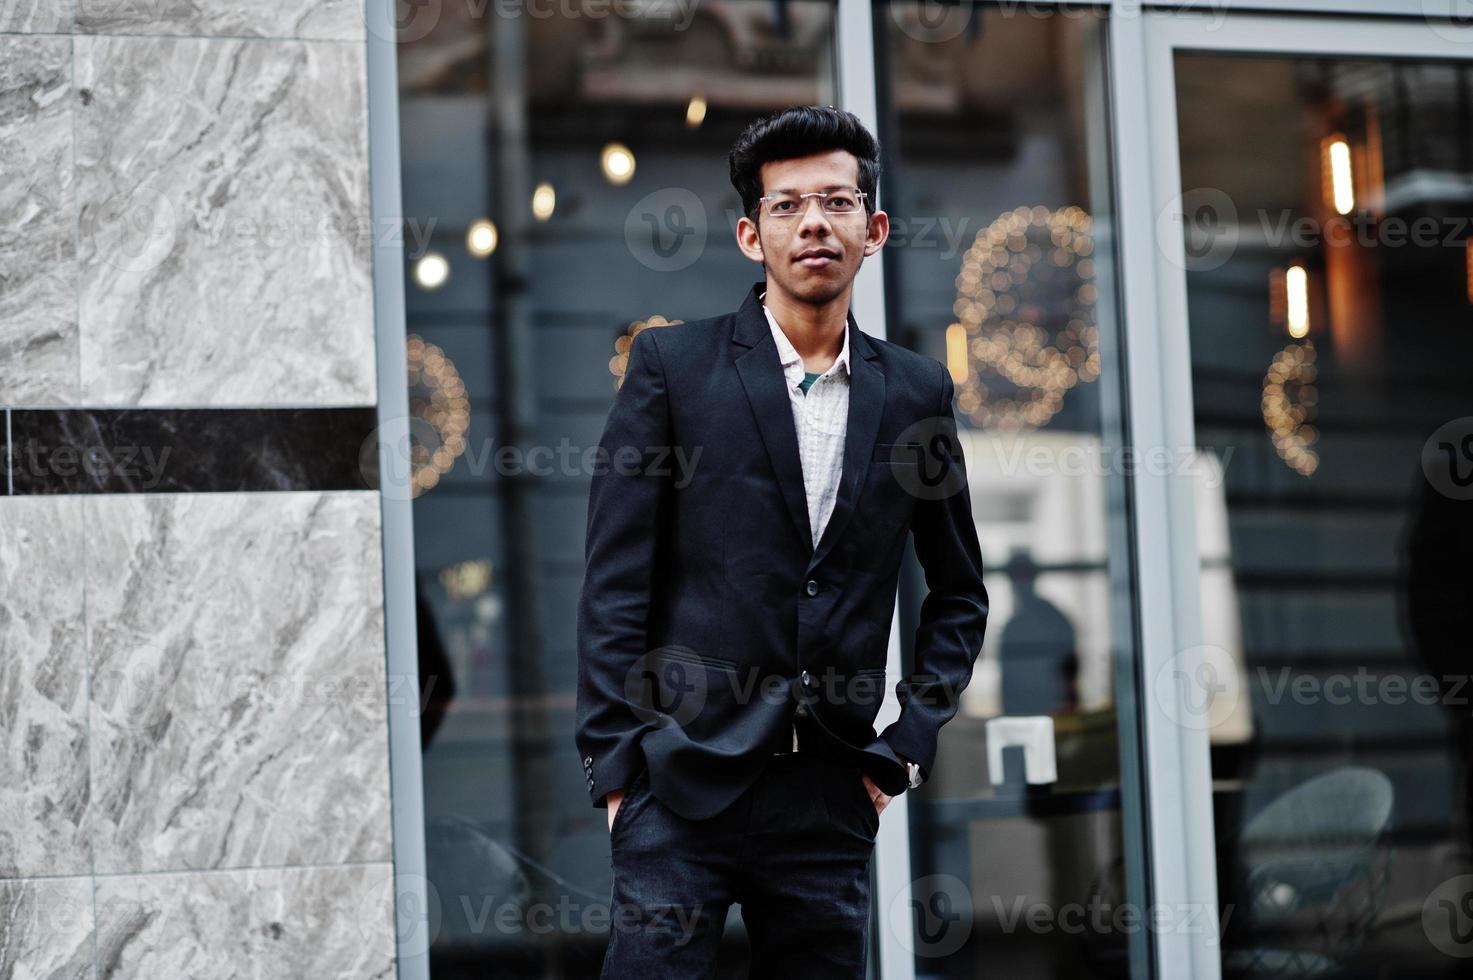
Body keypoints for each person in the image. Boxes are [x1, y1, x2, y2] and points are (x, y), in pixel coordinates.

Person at [575, 104, 990, 978]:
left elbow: (958, 593)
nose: (812, 223)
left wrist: (905, 743)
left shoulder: (916, 391)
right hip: (677, 788)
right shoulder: (671, 370)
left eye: (836, 203)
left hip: (827, 798)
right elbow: (614, 584)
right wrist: (618, 772)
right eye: (786, 206)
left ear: (872, 230)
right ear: (748, 234)